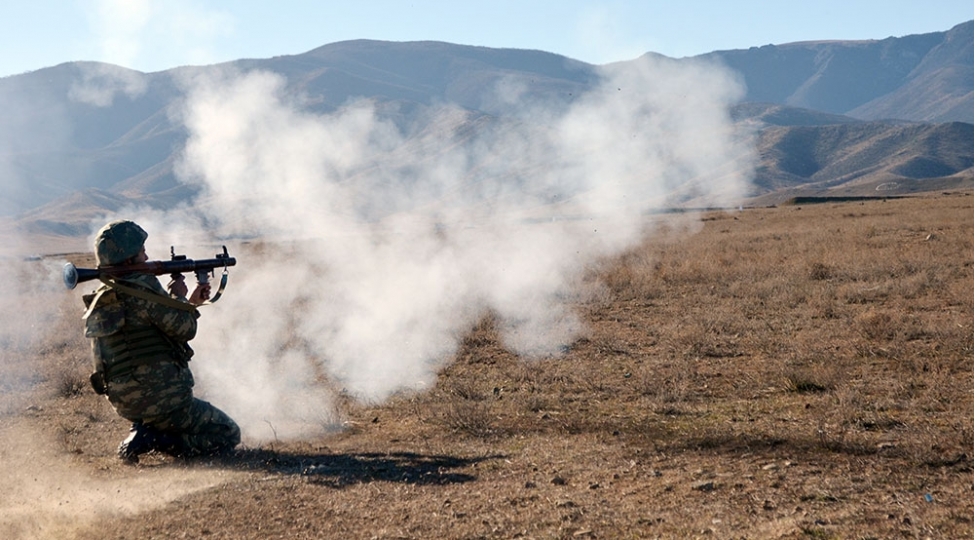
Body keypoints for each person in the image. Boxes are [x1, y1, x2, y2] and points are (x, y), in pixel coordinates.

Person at [81, 219, 240, 463]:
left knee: (161, 408)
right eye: (142, 252)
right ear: (128, 258)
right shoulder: (144, 287)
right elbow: (185, 329)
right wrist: (178, 297)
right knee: (228, 434)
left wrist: (188, 302)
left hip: (127, 404)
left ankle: (145, 429)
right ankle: (157, 440)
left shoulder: (104, 296)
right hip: (163, 401)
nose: (146, 257)